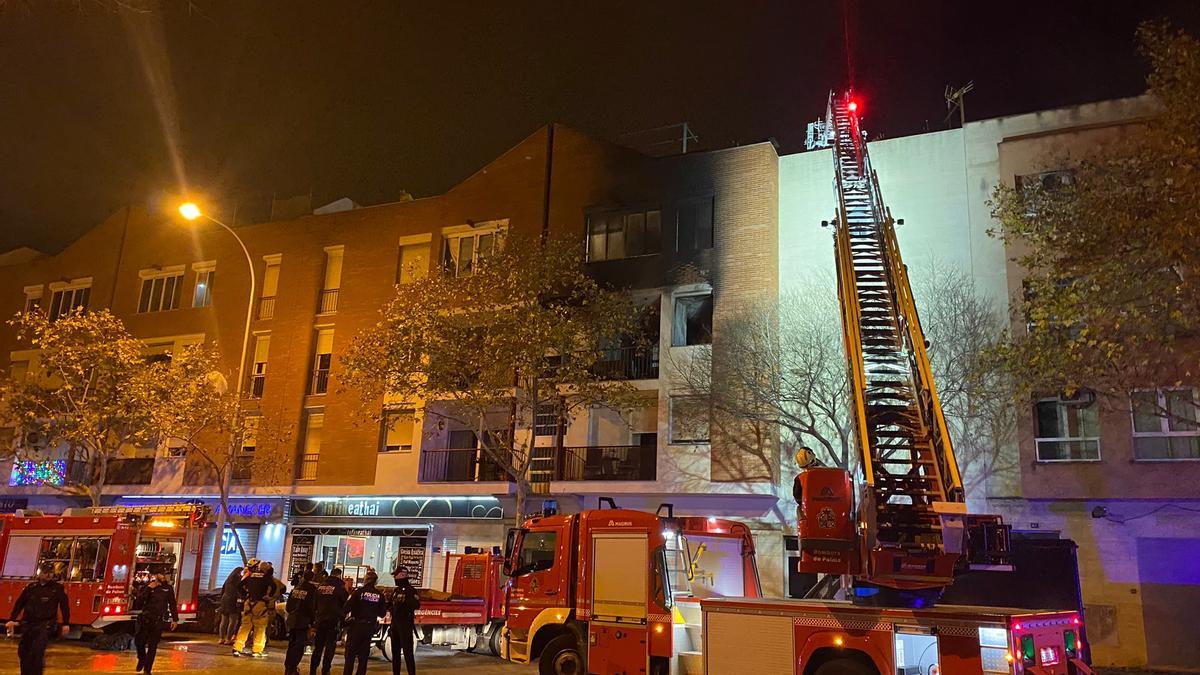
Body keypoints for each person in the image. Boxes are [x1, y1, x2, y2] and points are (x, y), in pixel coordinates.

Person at [5, 568, 69, 675]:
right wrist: (12, 619)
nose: (48, 575)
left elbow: (64, 606)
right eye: (45, 572)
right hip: (28, 623)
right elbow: (19, 604)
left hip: (45, 624)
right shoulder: (31, 588)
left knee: (37, 651)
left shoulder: (57, 588)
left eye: (50, 572)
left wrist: (66, 623)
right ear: (39, 574)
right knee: (23, 651)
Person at [132, 573, 179, 675]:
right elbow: (138, 602)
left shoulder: (168, 589)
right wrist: (148, 589)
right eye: (161, 574)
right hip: (145, 619)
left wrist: (175, 619)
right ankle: (141, 658)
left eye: (165, 574)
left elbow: (172, 604)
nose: (164, 577)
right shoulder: (148, 586)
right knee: (139, 642)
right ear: (157, 575)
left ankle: (147, 670)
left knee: (153, 646)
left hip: (158, 621)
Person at [341, 571, 386, 675]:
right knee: (363, 656)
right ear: (375, 582)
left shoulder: (358, 592)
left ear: (366, 580)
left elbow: (346, 608)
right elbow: (382, 613)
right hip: (369, 627)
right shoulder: (379, 595)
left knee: (350, 655)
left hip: (356, 626)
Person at [309, 567, 349, 675]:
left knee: (318, 648)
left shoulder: (320, 586)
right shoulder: (339, 587)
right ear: (338, 575)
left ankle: (313, 670)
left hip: (320, 620)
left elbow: (314, 604)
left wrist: (314, 621)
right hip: (333, 621)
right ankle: (325, 670)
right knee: (330, 647)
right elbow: (345, 602)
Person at [233, 560, 276, 658]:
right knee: (260, 628)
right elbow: (274, 586)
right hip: (260, 605)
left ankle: (237, 647)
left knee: (245, 626)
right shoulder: (266, 577)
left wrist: (245, 595)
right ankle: (257, 650)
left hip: (249, 603)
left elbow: (239, 586)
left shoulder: (251, 576)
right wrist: (268, 596)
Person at [387, 565, 421, 675]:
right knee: (395, 653)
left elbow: (416, 605)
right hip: (395, 626)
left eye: (396, 576)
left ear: (402, 575)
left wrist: (404, 603)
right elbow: (390, 605)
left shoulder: (410, 591)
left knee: (408, 653)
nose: (395, 579)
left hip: (405, 626)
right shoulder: (396, 591)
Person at [284, 571, 318, 675]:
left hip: (293, 620)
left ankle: (288, 667)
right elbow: (311, 608)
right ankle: (293, 667)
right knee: (299, 645)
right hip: (303, 621)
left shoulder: (295, 589)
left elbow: (288, 607)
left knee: (292, 644)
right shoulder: (311, 591)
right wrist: (312, 622)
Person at [217, 566, 244, 645]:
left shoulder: (228, 579)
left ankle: (221, 638)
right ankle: (228, 639)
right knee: (233, 620)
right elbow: (239, 591)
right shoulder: (238, 579)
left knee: (223, 620)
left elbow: (223, 589)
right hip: (233, 600)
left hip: (224, 599)